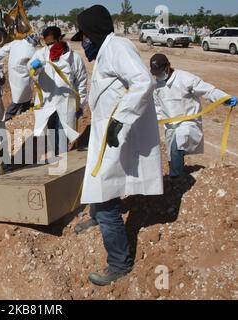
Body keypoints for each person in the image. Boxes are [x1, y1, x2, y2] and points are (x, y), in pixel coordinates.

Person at [74, 5, 164, 286]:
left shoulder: (118, 47)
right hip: (107, 133)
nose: (83, 42)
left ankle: (119, 263)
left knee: (105, 195)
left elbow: (142, 82)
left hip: (117, 134)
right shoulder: (105, 53)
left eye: (85, 36)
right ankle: (96, 217)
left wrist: (120, 120)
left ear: (95, 32)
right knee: (98, 180)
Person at [150, 53, 237, 179]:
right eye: (155, 73)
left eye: (160, 72)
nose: (158, 76)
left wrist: (224, 98)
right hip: (170, 127)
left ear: (168, 67)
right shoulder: (156, 86)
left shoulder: (185, 78)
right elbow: (158, 108)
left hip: (188, 123)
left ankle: (176, 179)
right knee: (173, 155)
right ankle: (177, 180)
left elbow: (207, 90)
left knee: (177, 145)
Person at [29, 26, 87, 157]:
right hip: (47, 106)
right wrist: (34, 67)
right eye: (47, 44)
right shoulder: (41, 54)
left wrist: (81, 105)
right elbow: (31, 69)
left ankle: (62, 168)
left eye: (52, 43)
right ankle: (58, 162)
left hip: (66, 105)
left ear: (60, 39)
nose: (50, 47)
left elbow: (81, 83)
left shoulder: (74, 58)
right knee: (52, 137)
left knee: (61, 139)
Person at [0, 34, 40, 121]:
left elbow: (4, 50)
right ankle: (8, 116)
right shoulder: (32, 50)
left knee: (23, 95)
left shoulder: (16, 43)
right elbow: (33, 67)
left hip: (13, 74)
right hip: (22, 76)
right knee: (19, 98)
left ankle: (24, 112)